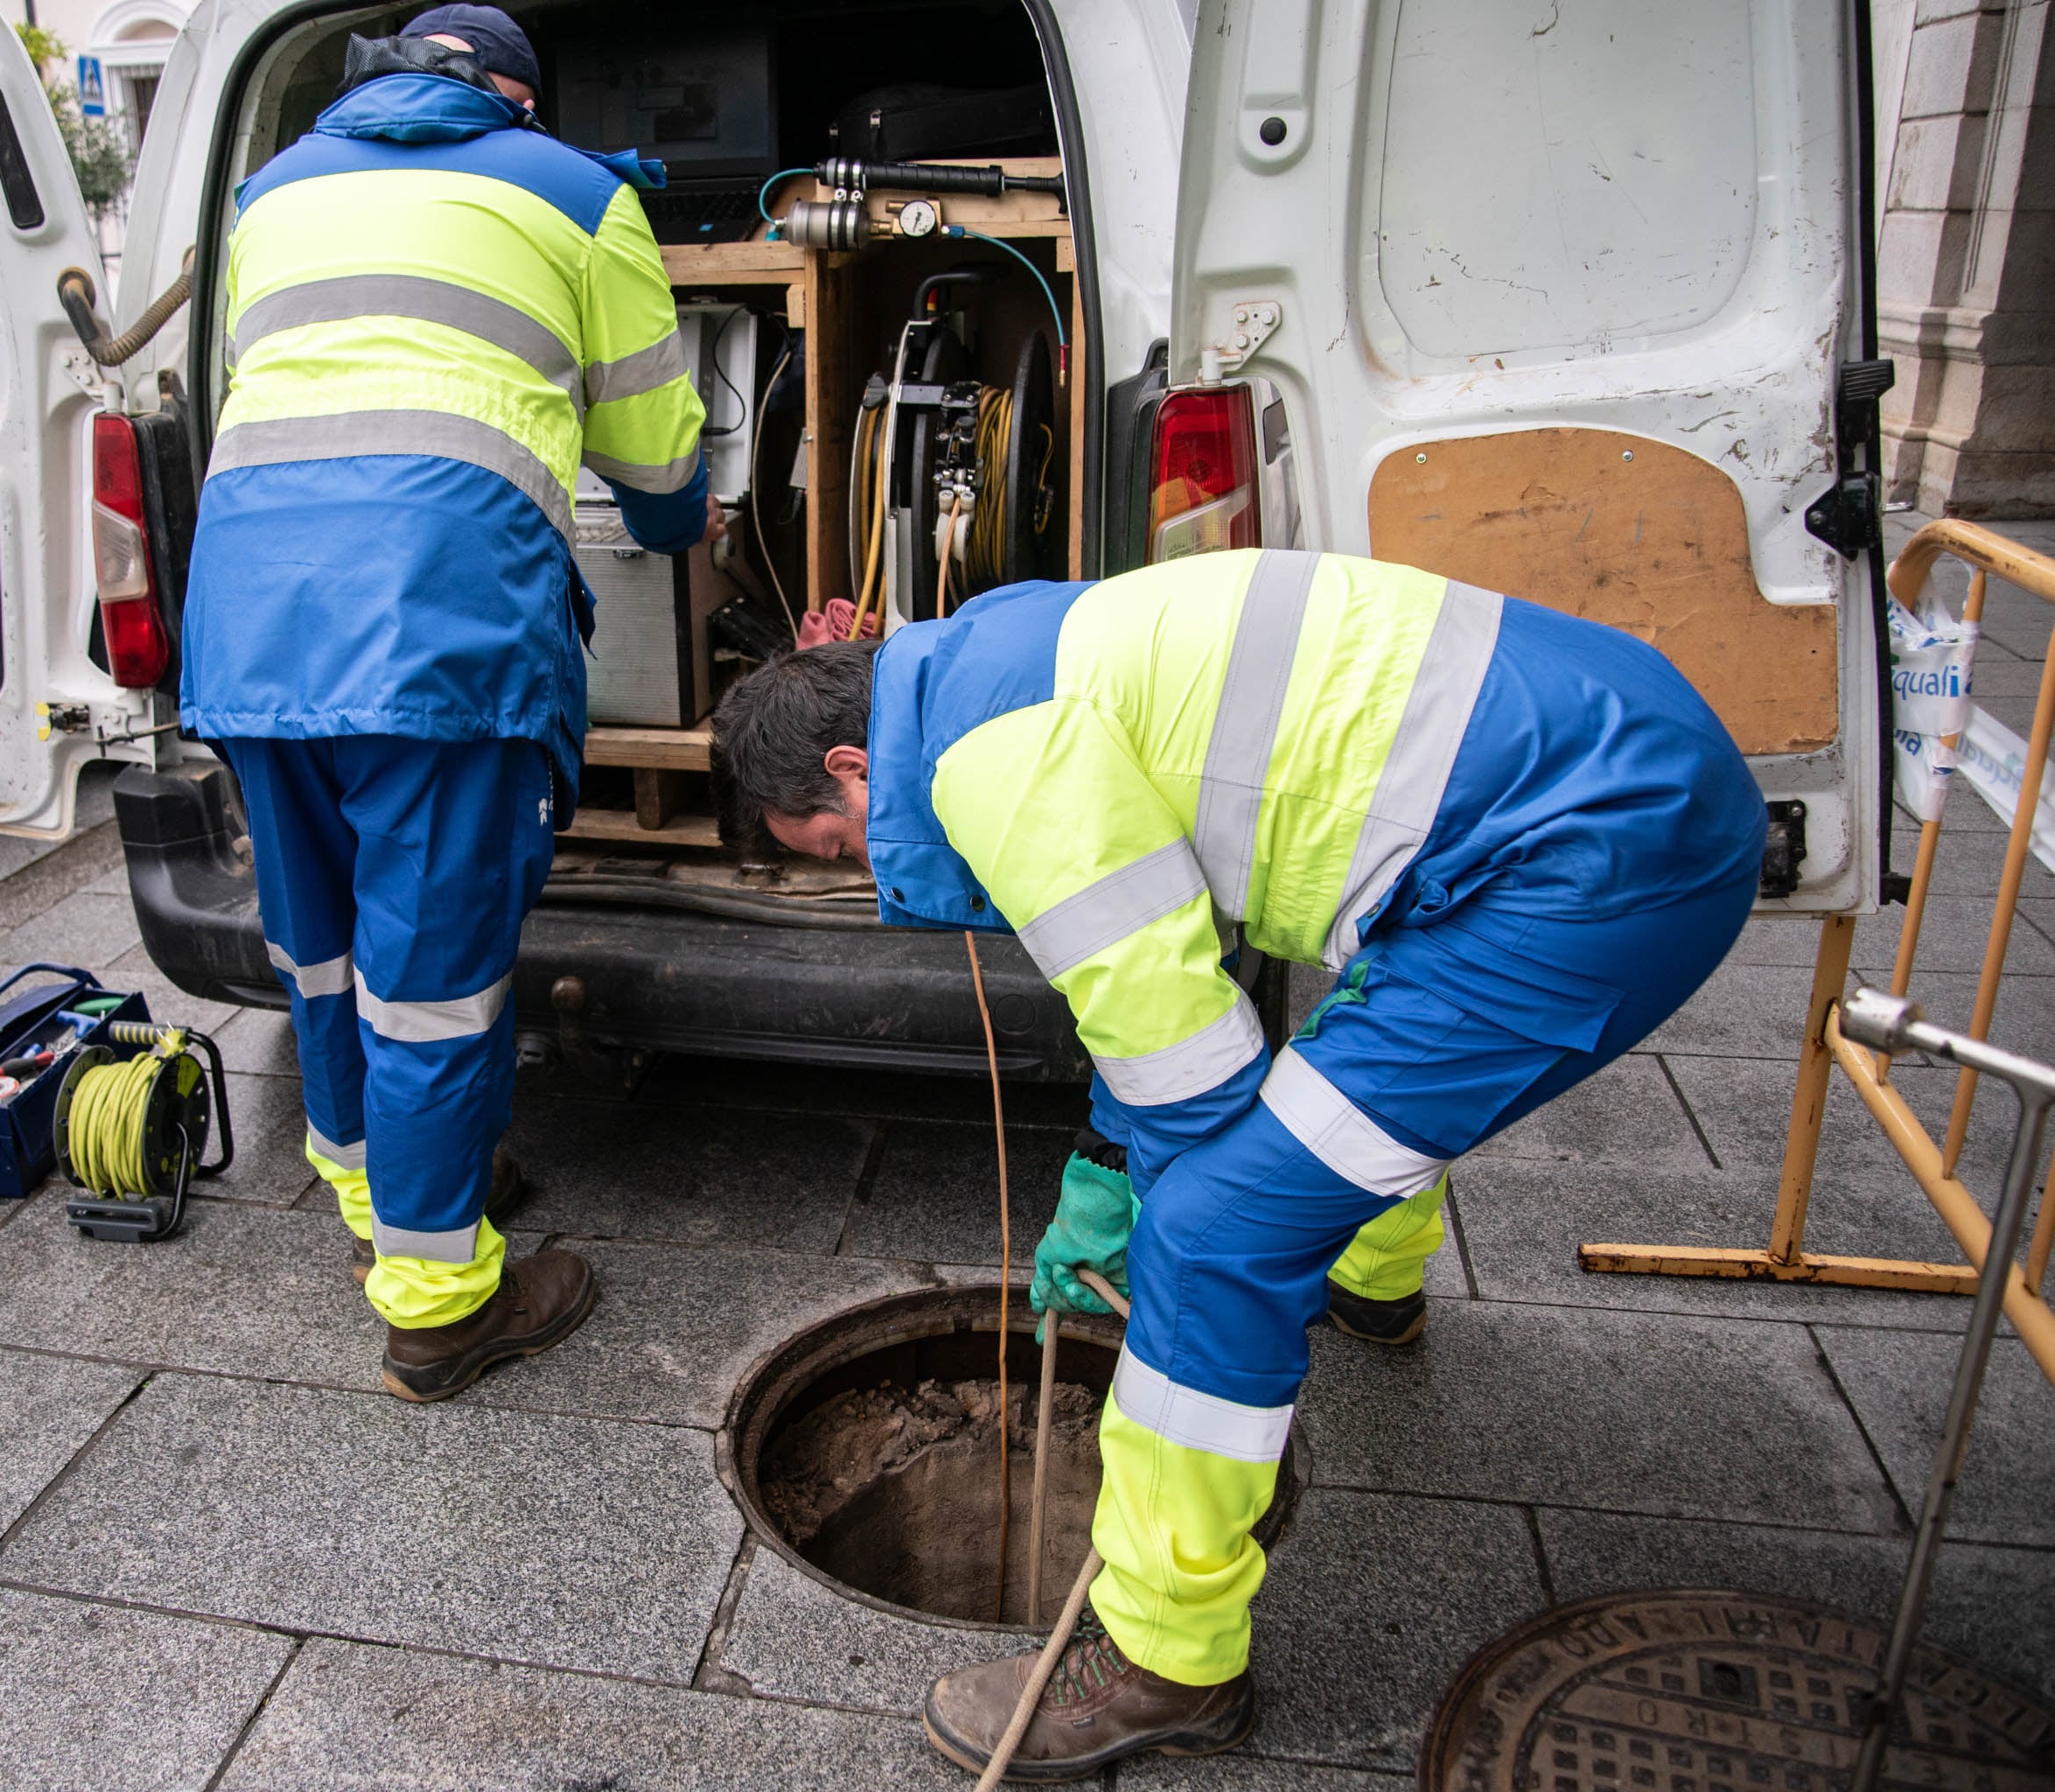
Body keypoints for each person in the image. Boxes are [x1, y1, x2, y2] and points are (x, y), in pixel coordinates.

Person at [710, 549, 1765, 1780]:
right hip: (1602, 756)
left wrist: (1133, 1196)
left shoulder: (989, 765)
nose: (856, 865)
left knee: (1218, 1229)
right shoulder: (988, 657)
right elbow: (1165, 951)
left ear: (851, 764)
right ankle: (1374, 1280)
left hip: (1592, 857)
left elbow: (1195, 1071)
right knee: (1337, 1084)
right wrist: (1111, 1156)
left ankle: (1168, 1662)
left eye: (834, 842)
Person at [178, 7, 715, 1400]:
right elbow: (659, 464)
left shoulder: (270, 191)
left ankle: (387, 1202)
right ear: (519, 100)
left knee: (321, 945)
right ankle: (440, 1303)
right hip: (436, 629)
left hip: (250, 617)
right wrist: (672, 521)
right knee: (434, 981)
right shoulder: (577, 193)